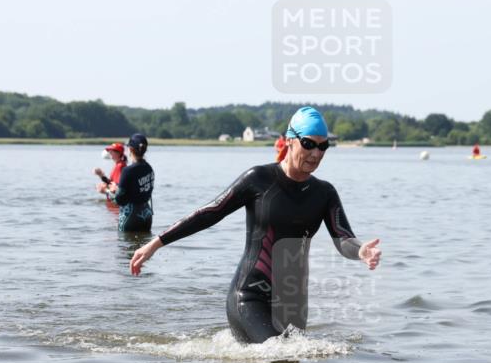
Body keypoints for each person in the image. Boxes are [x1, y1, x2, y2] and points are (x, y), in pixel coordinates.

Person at [129, 106, 382, 344]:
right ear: (290, 141)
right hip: (250, 297)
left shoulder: (324, 193)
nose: (316, 153)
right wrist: (155, 243)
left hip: (293, 304)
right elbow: (210, 212)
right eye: (308, 144)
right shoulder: (259, 179)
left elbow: (343, 238)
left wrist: (360, 250)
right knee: (279, 358)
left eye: (323, 146)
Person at [114, 133, 154, 232]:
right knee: (145, 245)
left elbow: (119, 200)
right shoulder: (149, 168)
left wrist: (115, 190)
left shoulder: (127, 170)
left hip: (131, 216)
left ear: (131, 149)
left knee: (125, 245)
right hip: (147, 215)